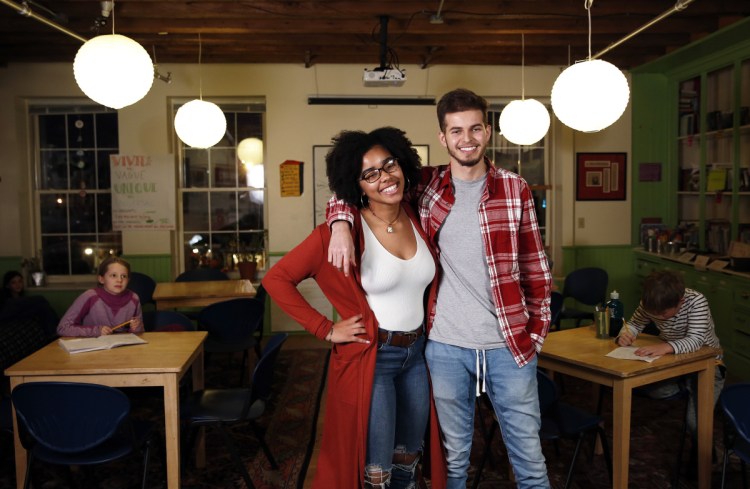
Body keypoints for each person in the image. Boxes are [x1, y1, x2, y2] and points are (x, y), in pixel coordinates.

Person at [327, 88, 552, 488]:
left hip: (510, 347)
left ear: (488, 131)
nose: (467, 139)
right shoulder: (425, 185)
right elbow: (359, 188)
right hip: (446, 347)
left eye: (476, 128)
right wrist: (340, 223)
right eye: (456, 130)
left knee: (530, 462)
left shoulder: (515, 189)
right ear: (442, 137)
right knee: (453, 463)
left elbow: (536, 269)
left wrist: (535, 334)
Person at [262, 127, 446, 489]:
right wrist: (325, 329)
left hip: (419, 355)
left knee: (409, 458)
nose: (384, 177)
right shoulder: (337, 233)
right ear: (356, 185)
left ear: (402, 163)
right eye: (369, 173)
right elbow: (276, 279)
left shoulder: (418, 214)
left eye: (389, 164)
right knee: (377, 470)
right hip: (372, 359)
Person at [615, 270, 724, 438]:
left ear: (681, 301)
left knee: (695, 424)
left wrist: (665, 347)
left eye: (663, 314)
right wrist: (626, 334)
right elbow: (635, 323)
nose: (659, 317)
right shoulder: (651, 302)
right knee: (653, 390)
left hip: (708, 365)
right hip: (673, 360)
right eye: (654, 313)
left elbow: (695, 340)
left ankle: (707, 457)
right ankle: (685, 385)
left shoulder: (697, 302)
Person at [57, 257, 144, 337]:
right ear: (101, 279)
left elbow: (139, 333)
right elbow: (63, 328)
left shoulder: (134, 298)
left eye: (124, 276)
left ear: (128, 280)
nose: (119, 280)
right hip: (93, 349)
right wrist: (96, 331)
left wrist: (137, 327)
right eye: (113, 275)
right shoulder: (89, 297)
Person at [1, 270, 59, 338]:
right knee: (40, 299)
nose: (18, 285)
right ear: (7, 285)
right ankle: (56, 331)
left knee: (43, 307)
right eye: (13, 283)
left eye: (20, 281)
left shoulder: (22, 299)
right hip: (6, 315)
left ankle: (55, 332)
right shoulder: (8, 301)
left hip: (18, 314)